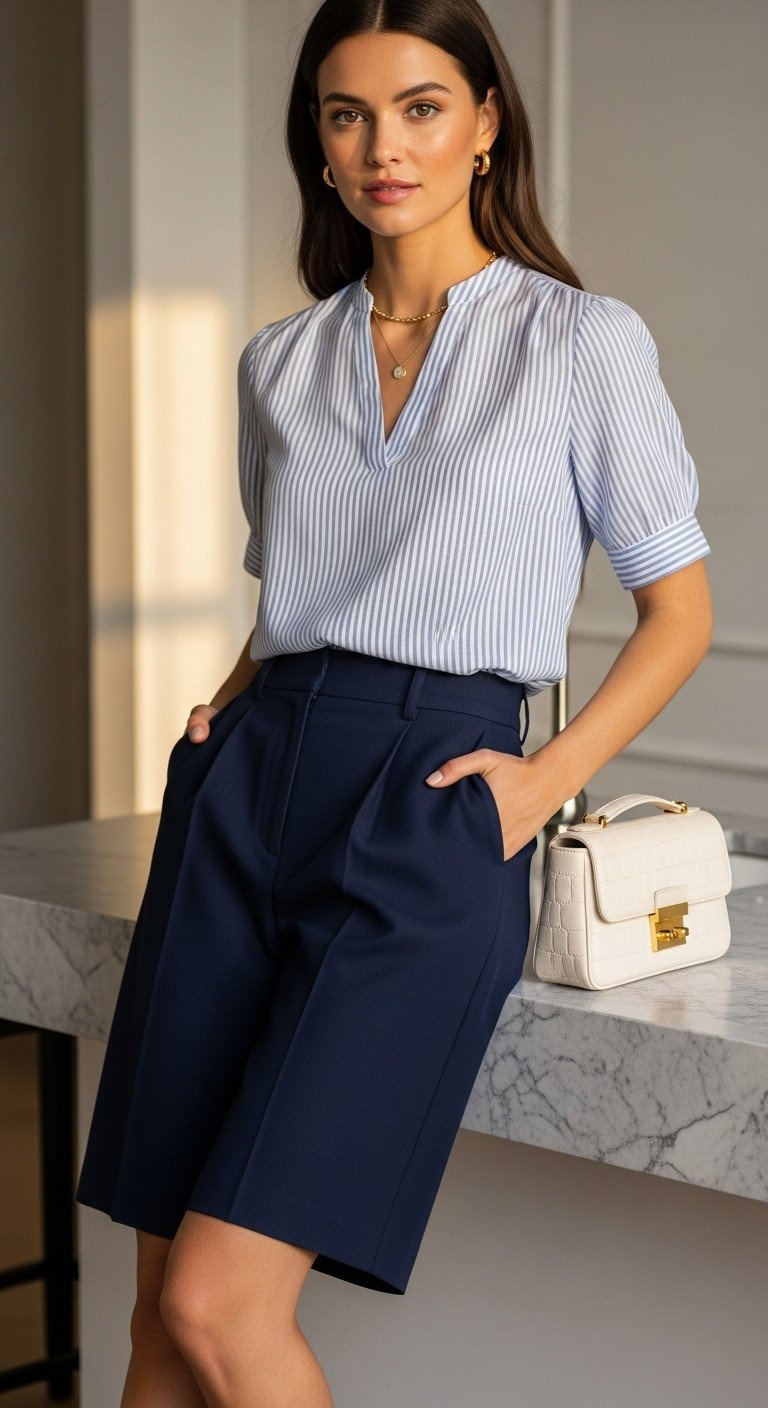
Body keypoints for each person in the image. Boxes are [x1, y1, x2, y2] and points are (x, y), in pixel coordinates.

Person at [75, 1, 714, 1404]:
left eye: (420, 107)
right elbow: (293, 591)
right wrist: (226, 707)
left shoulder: (580, 342)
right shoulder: (280, 361)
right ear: (318, 140)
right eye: (347, 114)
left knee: (219, 1300)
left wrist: (540, 786)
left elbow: (683, 614)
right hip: (245, 785)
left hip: (431, 799)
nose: (383, 146)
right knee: (148, 1313)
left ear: (487, 123)